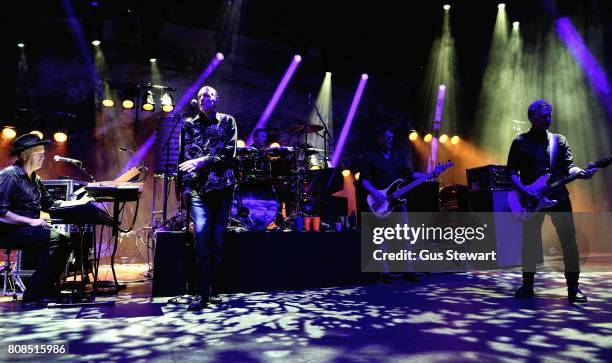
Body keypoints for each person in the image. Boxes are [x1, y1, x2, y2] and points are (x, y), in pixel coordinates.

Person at [507, 99, 596, 303]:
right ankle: (527, 284)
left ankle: (573, 287)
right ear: (532, 118)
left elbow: (569, 167)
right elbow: (511, 171)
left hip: (559, 197)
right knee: (530, 242)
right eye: (543, 117)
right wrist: (525, 190)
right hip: (531, 200)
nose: (548, 120)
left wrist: (579, 173)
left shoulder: (559, 140)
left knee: (569, 241)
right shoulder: (520, 142)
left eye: (549, 116)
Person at [178, 85, 237, 311]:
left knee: (217, 240)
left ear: (217, 99)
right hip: (197, 190)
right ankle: (201, 293)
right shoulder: (188, 125)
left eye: (208, 95)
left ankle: (213, 289)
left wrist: (202, 161)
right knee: (201, 236)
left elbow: (229, 154)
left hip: (222, 187)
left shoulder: (228, 122)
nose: (203, 98)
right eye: (200, 95)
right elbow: (183, 158)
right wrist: (182, 186)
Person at [0, 134, 71, 305]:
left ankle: (46, 289)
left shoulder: (35, 178)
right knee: (55, 239)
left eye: (43, 153)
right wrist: (30, 221)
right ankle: (33, 294)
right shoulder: (10, 176)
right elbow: (1, 212)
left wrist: (77, 202)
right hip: (8, 231)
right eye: (38, 153)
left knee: (65, 239)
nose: (43, 156)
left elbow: (50, 203)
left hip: (27, 231)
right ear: (25, 154)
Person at [359, 126, 425, 282]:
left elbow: (410, 175)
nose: (391, 140)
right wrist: (375, 193)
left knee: (405, 236)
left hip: (397, 203)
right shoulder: (371, 157)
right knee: (382, 238)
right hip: (380, 202)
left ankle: (408, 270)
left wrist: (429, 174)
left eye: (392, 138)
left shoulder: (397, 157)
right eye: (387, 138)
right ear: (379, 139)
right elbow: (364, 180)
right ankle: (384, 272)